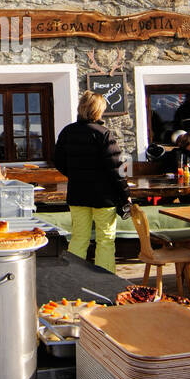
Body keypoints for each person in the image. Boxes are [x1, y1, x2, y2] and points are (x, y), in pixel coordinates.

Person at [53, 92, 130, 272]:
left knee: (79, 238)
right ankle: (105, 280)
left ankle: (75, 276)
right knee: (105, 240)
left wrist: (75, 174)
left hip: (78, 193)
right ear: (98, 111)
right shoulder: (104, 134)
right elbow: (116, 169)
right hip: (104, 196)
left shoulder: (67, 132)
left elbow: (58, 161)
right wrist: (125, 194)